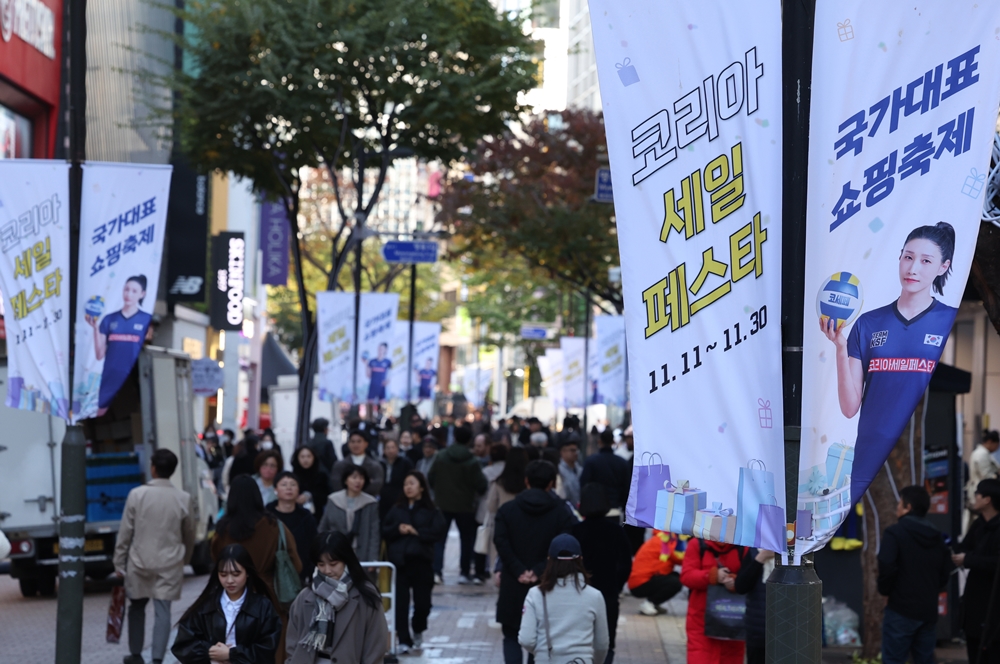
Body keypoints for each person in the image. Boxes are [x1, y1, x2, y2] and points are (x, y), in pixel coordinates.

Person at [821, 222, 958, 504]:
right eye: (908, 257)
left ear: (943, 267)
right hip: (869, 454)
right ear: (899, 258)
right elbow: (849, 408)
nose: (913, 268)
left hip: (918, 453)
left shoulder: (948, 320)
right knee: (873, 533)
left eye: (925, 260)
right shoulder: (869, 324)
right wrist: (840, 347)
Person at [114, 449, 195, 664]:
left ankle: (135, 654)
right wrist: (185, 559)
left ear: (153, 468)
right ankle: (157, 658)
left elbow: (125, 532)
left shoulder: (137, 495)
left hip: (139, 561)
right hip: (170, 562)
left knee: (137, 607)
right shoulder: (183, 498)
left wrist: (119, 562)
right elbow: (190, 534)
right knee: (163, 610)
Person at [212, 475, 303, 664]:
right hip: (272, 597)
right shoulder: (274, 526)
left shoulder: (222, 530)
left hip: (233, 598)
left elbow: (215, 562)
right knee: (272, 650)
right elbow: (297, 564)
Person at [494, 460, 577, 664]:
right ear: (551, 483)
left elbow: (501, 542)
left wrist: (519, 569)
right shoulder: (561, 512)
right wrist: (540, 570)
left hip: (513, 581)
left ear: (526, 481)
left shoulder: (508, 510)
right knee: (541, 639)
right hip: (547, 583)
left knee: (512, 635)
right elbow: (565, 544)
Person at [285, 532, 389, 664]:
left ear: (346, 561)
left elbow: (376, 645)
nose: (327, 570)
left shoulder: (365, 596)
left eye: (333, 564)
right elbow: (292, 641)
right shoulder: (306, 596)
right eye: (321, 564)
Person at [876, 485, 953, 664]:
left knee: (894, 659)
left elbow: (886, 565)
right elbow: (945, 571)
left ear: (908, 507)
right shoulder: (936, 537)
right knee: (924, 659)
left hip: (900, 608)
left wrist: (886, 590)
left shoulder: (895, 533)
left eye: (899, 504)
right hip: (927, 610)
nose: (897, 507)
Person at [172, 544, 282, 664]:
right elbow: (183, 645)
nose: (229, 580)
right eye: (223, 575)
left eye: (236, 574)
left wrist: (231, 654)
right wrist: (209, 652)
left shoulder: (263, 607)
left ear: (247, 573)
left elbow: (267, 649)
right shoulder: (206, 606)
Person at [518, 534, 610, 664]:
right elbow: (602, 643)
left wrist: (542, 652)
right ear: (581, 559)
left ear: (549, 560)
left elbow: (526, 639)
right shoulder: (595, 596)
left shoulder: (536, 594)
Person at [382, 471, 447, 653]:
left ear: (421, 487)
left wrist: (416, 532)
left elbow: (438, 532)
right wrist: (398, 529)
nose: (408, 487)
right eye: (405, 484)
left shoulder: (431, 510)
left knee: (423, 604)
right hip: (400, 563)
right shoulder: (397, 509)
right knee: (400, 604)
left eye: (412, 483)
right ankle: (404, 640)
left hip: (422, 562)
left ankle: (418, 627)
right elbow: (385, 530)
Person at [573, 484, 632, 664]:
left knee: (580, 643)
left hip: (579, 595)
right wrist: (617, 585)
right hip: (608, 594)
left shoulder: (575, 531)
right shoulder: (616, 531)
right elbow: (626, 564)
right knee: (606, 644)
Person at [428, 425, 489, 584]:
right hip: (466, 506)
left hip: (443, 503)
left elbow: (430, 477)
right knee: (466, 540)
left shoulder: (441, 456)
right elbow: (482, 484)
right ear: (469, 440)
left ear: (454, 436)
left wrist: (439, 491)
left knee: (440, 539)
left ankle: (437, 571)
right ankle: (464, 572)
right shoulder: (473, 461)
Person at [88, 274, 154, 416]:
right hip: (109, 376)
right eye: (126, 289)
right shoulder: (109, 319)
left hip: (131, 379)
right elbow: (99, 355)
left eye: (134, 291)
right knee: (99, 412)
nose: (129, 294)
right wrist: (95, 329)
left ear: (142, 294)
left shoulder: (146, 320)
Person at [953, 478, 1000, 664]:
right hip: (974, 601)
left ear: (987, 499)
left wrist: (969, 559)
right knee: (974, 649)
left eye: (977, 493)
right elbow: (964, 547)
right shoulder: (979, 524)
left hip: (993, 604)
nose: (974, 497)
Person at [680, 538, 745, 664]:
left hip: (733, 620)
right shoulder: (697, 544)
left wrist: (736, 582)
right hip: (701, 620)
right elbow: (686, 576)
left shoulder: (743, 545)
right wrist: (711, 576)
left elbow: (751, 577)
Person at [318, 465, 380, 563]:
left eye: (361, 478)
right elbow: (323, 528)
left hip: (362, 553)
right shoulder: (334, 500)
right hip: (336, 553)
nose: (358, 481)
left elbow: (374, 533)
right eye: (354, 477)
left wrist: (373, 558)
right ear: (346, 480)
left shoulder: (370, 503)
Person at [267, 471, 319, 584]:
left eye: (293, 484)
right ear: (275, 489)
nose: (289, 488)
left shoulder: (306, 517)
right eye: (284, 484)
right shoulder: (266, 515)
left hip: (301, 575)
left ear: (298, 490)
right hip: (272, 574)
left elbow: (314, 545)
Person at [734, 548, 776, 664]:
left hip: (788, 632)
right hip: (757, 631)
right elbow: (741, 586)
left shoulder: (798, 554)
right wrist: (761, 557)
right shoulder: (755, 552)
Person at [628, 530, 684, 616]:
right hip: (641, 583)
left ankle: (654, 603)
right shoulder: (665, 539)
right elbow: (679, 557)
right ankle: (650, 603)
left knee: (675, 577)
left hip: (639, 581)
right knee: (676, 582)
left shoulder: (660, 538)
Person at [580, 428, 631, 511]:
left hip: (595, 508)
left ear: (600, 441)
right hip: (616, 507)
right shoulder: (622, 463)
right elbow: (627, 488)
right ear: (613, 442)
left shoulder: (591, 461)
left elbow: (584, 484)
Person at [330, 430, 384, 497]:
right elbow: (336, 484)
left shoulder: (375, 466)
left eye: (359, 441)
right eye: (353, 442)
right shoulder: (339, 465)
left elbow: (376, 485)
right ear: (348, 444)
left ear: (366, 444)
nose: (356, 444)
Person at [292, 446, 332, 519]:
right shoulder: (292, 477)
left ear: (314, 458)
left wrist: (309, 496)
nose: (305, 459)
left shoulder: (321, 476)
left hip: (317, 515)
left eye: (308, 456)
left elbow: (325, 496)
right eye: (302, 457)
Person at [379, 438, 415, 520]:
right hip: (383, 498)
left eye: (393, 447)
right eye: (388, 448)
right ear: (384, 450)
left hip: (400, 498)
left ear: (397, 449)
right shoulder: (380, 463)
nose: (390, 450)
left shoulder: (405, 463)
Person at [967, 431, 1000, 518]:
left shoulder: (983, 453)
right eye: (996, 444)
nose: (997, 447)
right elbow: (986, 475)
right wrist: (997, 474)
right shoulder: (982, 454)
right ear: (990, 442)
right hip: (982, 492)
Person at [558, 438, 584, 507]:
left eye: (577, 450)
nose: (576, 453)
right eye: (572, 450)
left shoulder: (580, 469)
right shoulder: (559, 471)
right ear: (563, 452)